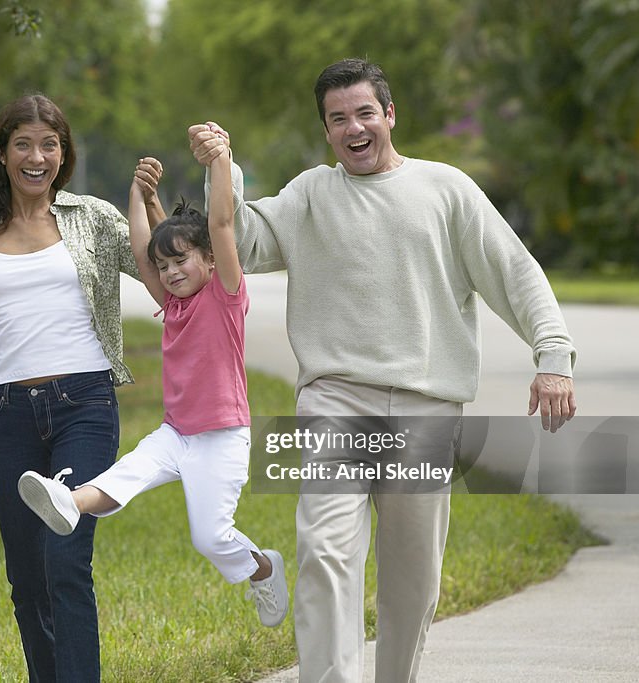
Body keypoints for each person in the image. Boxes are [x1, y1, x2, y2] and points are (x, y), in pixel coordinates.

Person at [189, 58, 577, 683]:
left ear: (390, 115)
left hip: (426, 405)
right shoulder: (311, 193)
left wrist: (552, 355)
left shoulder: (445, 189)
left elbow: (515, 271)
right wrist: (222, 168)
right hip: (334, 399)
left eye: (365, 112)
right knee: (323, 555)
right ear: (326, 130)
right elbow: (245, 241)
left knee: (412, 578)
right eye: (338, 119)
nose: (353, 128)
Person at [0, 93, 165, 682]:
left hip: (85, 405)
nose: (36, 156)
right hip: (9, 414)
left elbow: (161, 269)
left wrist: (145, 203)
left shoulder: (92, 217)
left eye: (48, 145)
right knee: (26, 575)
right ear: (2, 154)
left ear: (62, 153)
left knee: (66, 560)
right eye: (23, 144)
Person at [16, 136, 290, 629]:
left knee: (210, 538)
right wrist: (137, 194)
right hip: (176, 432)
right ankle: (67, 502)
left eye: (181, 262)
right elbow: (145, 253)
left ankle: (263, 567)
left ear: (211, 259)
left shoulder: (225, 296)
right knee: (124, 476)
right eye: (165, 268)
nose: (170, 272)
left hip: (221, 436)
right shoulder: (175, 304)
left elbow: (222, 223)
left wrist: (222, 161)